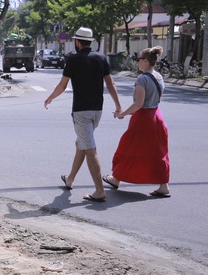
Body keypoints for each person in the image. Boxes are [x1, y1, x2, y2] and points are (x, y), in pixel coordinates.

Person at [44, 27, 122, 202]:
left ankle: (99, 190)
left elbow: (62, 85)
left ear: (78, 42)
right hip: (97, 111)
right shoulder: (101, 58)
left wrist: (50, 98)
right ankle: (70, 178)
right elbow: (110, 84)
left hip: (81, 111)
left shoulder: (73, 60)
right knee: (82, 143)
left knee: (90, 149)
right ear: (90, 42)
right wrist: (118, 105)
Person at [103, 46, 170, 197]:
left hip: (143, 119)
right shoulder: (159, 76)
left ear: (146, 61)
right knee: (158, 152)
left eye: (139, 59)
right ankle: (164, 185)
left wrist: (123, 114)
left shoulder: (142, 79)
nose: (137, 62)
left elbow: (138, 104)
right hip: (157, 116)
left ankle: (116, 179)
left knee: (128, 148)